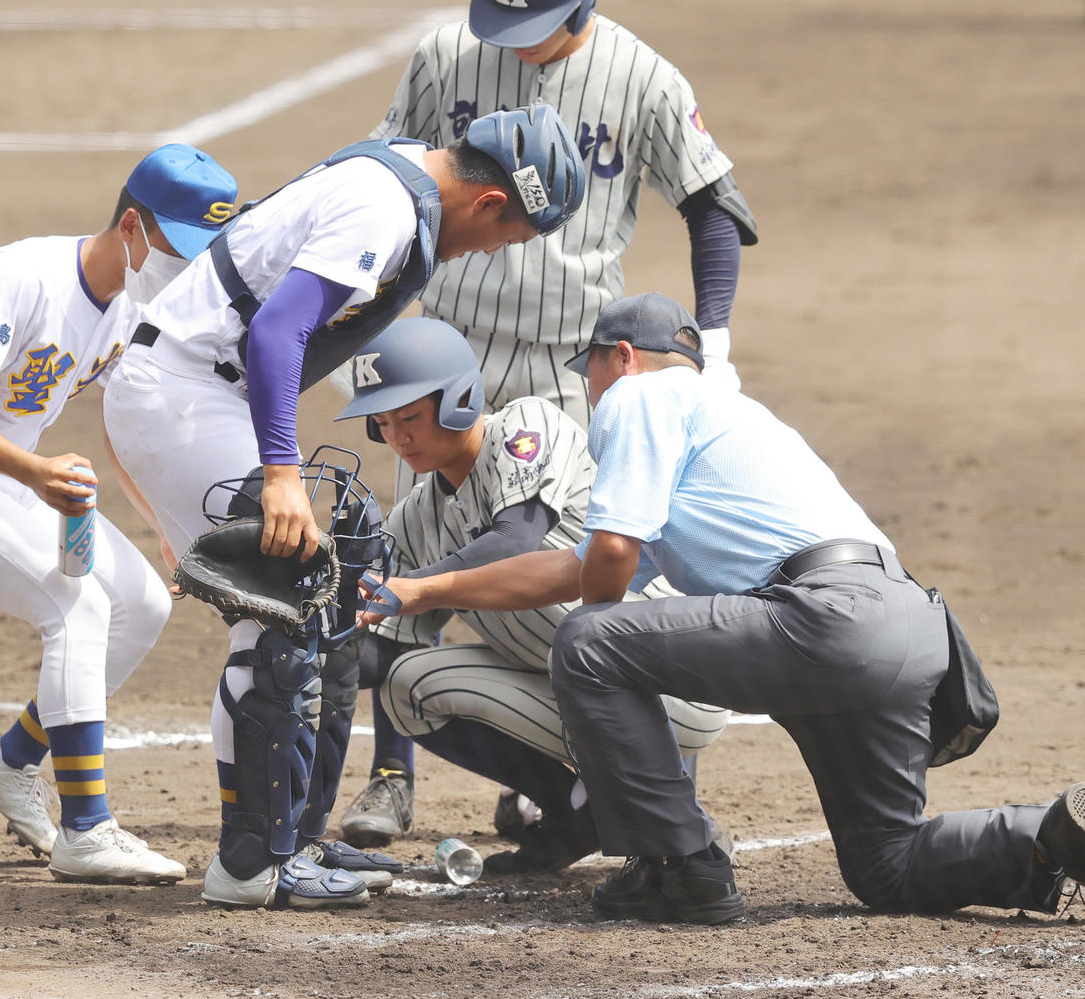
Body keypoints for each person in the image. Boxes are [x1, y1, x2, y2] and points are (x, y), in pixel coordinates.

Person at [363, 291, 1085, 924]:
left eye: (592, 370)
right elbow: (575, 569)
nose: (590, 388)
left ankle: (682, 866)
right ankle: (1056, 835)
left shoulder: (641, 397)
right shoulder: (726, 425)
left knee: (588, 642)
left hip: (823, 620)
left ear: (623, 357)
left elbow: (605, 563)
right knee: (886, 866)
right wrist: (425, 590)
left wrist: (595, 637)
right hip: (907, 626)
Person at [101, 104, 587, 909]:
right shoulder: (385, 208)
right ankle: (251, 867)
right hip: (187, 397)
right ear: (491, 201)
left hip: (199, 397)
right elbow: (277, 332)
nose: (492, 250)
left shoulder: (403, 179)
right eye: (506, 236)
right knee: (288, 609)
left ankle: (293, 838)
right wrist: (280, 472)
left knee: (323, 599)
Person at [346, 0, 759, 838]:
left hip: (577, 366)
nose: (517, 42)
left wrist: (715, 343)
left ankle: (586, 763)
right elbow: (386, 167)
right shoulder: (447, 54)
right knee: (412, 552)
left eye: (535, 25)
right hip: (448, 347)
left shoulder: (643, 77)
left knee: (593, 557)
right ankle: (390, 776)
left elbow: (712, 205)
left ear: (583, 5)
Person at [0, 144, 239, 884]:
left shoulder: (133, 308)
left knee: (141, 604)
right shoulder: (23, 276)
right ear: (130, 225)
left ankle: (8, 764)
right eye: (177, 246)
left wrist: (163, 530)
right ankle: (87, 830)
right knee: (77, 607)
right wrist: (35, 472)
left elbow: (122, 420)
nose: (186, 265)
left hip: (8, 476)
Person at [325, 316, 729, 874]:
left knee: (598, 689)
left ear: (458, 399)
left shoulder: (525, 425)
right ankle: (575, 814)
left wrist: (415, 588)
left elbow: (514, 540)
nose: (398, 437)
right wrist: (306, 642)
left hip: (670, 676)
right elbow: (383, 650)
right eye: (383, 423)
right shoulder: (415, 519)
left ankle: (668, 810)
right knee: (407, 685)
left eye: (410, 417)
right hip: (574, 684)